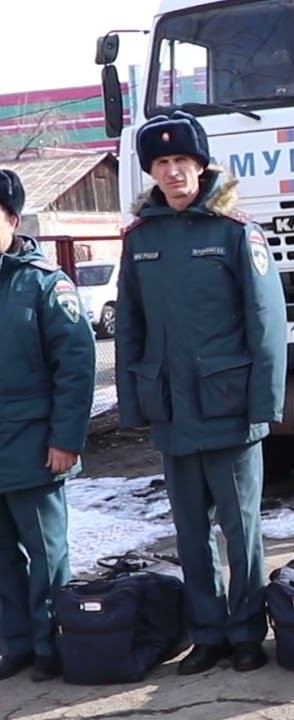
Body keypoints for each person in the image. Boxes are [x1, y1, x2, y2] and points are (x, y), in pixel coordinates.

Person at [115, 110, 287, 673]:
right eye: (162, 163)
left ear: (201, 165)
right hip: (171, 407)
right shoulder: (140, 238)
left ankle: (247, 632)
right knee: (190, 531)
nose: (173, 172)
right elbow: (131, 325)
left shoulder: (235, 231)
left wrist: (265, 405)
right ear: (152, 172)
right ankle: (208, 633)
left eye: (182, 161)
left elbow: (266, 324)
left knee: (241, 530)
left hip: (228, 406)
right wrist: (134, 402)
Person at [0, 170, 95, 682]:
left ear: (12, 220)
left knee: (45, 552)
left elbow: (76, 367)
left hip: (34, 445)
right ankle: (15, 644)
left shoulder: (43, 284)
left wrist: (65, 439)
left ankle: (52, 643)